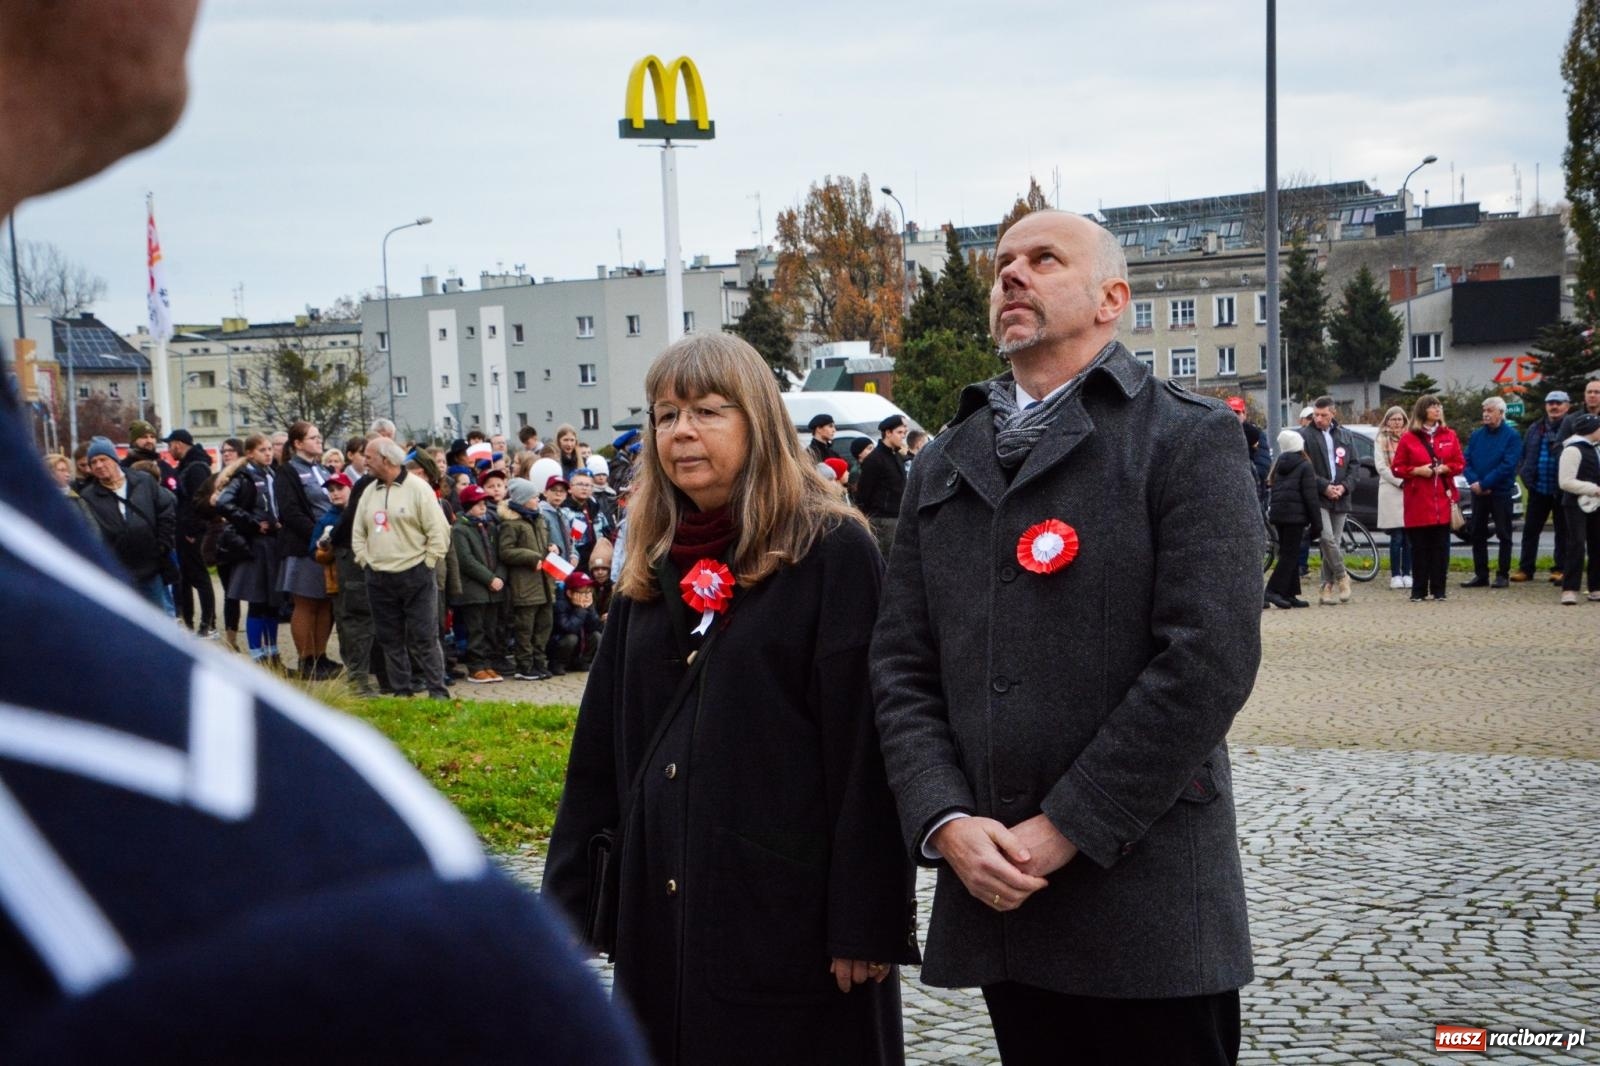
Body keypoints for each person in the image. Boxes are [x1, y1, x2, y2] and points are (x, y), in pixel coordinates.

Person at [871, 210, 1260, 1066]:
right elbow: (901, 664)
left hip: (1147, 901)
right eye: (1003, 262)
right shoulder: (946, 460)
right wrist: (944, 820)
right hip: (1003, 898)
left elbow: (1208, 658)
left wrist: (1068, 825)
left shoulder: (1187, 438)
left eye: (1044, 260)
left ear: (1111, 298)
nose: (1012, 274)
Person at [544, 332, 918, 1065]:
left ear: (758, 422)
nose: (681, 432)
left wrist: (866, 921)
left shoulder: (832, 552)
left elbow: (865, 750)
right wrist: (570, 908)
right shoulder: (653, 561)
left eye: (708, 411)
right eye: (665, 415)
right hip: (663, 909)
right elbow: (600, 752)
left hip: (784, 910)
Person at [353, 436, 452, 699]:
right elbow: (358, 532)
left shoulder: (418, 489)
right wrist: (365, 560)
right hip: (378, 576)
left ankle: (437, 691)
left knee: (425, 637)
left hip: (415, 573)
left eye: (370, 457)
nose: (365, 462)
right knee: (390, 638)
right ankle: (401, 690)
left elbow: (439, 530)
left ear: (386, 459)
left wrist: (429, 562)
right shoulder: (368, 491)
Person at [77, 435, 177, 611]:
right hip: (118, 572)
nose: (99, 465)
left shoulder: (143, 481)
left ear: (114, 459)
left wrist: (162, 544)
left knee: (158, 620)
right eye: (93, 462)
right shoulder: (89, 496)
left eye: (103, 459)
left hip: (150, 568)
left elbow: (165, 511)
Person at [275, 422, 341, 679]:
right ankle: (306, 660)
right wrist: (317, 536)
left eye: (319, 436)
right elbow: (290, 511)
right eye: (313, 438)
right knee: (306, 603)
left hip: (327, 545)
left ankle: (321, 657)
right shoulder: (287, 472)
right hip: (304, 547)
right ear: (297, 443)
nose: (319, 440)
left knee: (325, 603)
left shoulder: (323, 470)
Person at [216, 434, 285, 666]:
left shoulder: (272, 474)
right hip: (255, 544)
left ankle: (273, 651)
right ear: (250, 454)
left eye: (269, 449)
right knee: (257, 601)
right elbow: (223, 502)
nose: (268, 453)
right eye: (262, 450)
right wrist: (253, 523)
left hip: (273, 542)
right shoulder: (244, 476)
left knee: (272, 602)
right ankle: (257, 654)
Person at [1392, 394, 1465, 602]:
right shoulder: (1409, 438)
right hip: (1417, 502)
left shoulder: (1449, 435)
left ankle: (1439, 589)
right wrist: (1417, 470)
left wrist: (1446, 468)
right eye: (1433, 406)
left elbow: (1460, 462)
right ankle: (1419, 590)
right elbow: (1397, 467)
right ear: (1423, 410)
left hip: (1442, 501)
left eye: (1439, 406)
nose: (1437, 409)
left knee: (1441, 549)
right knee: (1420, 549)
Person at [1299, 395, 1357, 605]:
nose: (1319, 419)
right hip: (1318, 496)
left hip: (1341, 496)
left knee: (1334, 542)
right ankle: (1342, 576)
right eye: (1316, 414)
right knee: (1326, 538)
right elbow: (1304, 468)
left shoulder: (1345, 435)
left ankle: (1326, 587)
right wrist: (1324, 486)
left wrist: (1344, 486)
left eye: (1323, 415)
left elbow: (1354, 466)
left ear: (1333, 413)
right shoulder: (1305, 436)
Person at [1460, 396, 1522, 589]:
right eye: (1484, 410)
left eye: (1490, 410)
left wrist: (1486, 483)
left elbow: (1508, 465)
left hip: (1500, 492)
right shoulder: (1477, 435)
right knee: (1477, 533)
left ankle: (1502, 574)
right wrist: (1474, 482)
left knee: (1504, 534)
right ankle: (1481, 574)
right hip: (1479, 493)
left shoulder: (1511, 436)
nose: (1486, 414)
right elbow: (1466, 460)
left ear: (1501, 413)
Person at [498, 477, 556, 681]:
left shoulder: (539, 519)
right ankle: (525, 665)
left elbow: (545, 542)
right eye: (533, 497)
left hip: (545, 584)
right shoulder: (512, 524)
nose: (538, 500)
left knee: (544, 626)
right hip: (526, 586)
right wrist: (531, 557)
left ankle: (540, 662)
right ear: (523, 500)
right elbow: (505, 551)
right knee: (525, 628)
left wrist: (551, 547)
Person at [450, 483, 507, 683]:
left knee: (490, 628)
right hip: (474, 589)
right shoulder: (460, 529)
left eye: (484, 503)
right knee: (476, 629)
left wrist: (499, 576)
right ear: (468, 506)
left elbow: (499, 555)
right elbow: (466, 560)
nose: (483, 507)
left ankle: (488, 664)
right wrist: (489, 578)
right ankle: (476, 666)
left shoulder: (489, 526)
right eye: (477, 504)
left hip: (493, 590)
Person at [1512, 390, 1571, 583]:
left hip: (1563, 489)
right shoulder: (1535, 428)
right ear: (1545, 406)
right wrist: (1526, 477)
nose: (1554, 407)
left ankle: (1560, 568)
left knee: (1563, 532)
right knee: (1530, 531)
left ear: (1567, 406)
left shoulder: (1572, 427)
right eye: (1550, 403)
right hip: (1538, 488)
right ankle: (1526, 569)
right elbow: (1523, 455)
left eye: (1558, 403)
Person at [163, 428, 217, 636]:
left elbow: (200, 501)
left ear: (178, 444)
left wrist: (193, 530)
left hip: (193, 532)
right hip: (185, 530)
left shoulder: (195, 468)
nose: (169, 450)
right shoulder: (188, 466)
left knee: (200, 577)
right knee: (185, 578)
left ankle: (207, 623)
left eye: (170, 446)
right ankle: (190, 623)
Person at [1264, 429, 1318, 609]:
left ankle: (1290, 592)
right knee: (1290, 555)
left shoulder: (1280, 463)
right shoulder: (1305, 465)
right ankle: (1273, 589)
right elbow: (1310, 496)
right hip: (1296, 516)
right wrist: (1317, 522)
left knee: (1288, 553)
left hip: (1280, 514)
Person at [1556, 411, 1600, 604]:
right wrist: (1594, 489)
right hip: (1576, 504)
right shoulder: (1573, 450)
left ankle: (1596, 586)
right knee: (1576, 544)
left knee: (1597, 544)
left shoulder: (1595, 449)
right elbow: (1565, 482)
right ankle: (1570, 588)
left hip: (1596, 504)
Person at [856, 413, 910, 556]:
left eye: (904, 433)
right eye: (899, 432)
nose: (902, 436)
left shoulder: (896, 456)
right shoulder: (874, 459)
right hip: (882, 520)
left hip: (897, 517)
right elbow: (863, 494)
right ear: (888, 433)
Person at [1373, 406, 1412, 590]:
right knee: (1396, 536)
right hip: (1391, 488)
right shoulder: (1381, 439)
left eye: (1400, 419)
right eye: (1393, 419)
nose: (1397, 422)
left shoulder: (1411, 438)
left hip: (1410, 490)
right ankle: (1396, 574)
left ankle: (1408, 572)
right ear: (1387, 421)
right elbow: (1381, 466)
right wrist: (1400, 481)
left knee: (1409, 537)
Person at [545, 570, 602, 675]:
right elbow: (568, 627)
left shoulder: (588, 603)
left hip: (580, 643)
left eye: (589, 592)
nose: (586, 596)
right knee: (571, 638)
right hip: (558, 643)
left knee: (596, 636)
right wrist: (580, 610)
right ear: (570, 593)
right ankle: (558, 664)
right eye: (582, 592)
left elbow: (596, 627)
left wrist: (590, 610)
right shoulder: (560, 603)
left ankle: (581, 662)